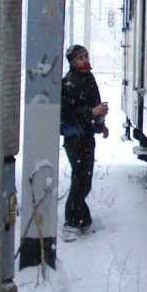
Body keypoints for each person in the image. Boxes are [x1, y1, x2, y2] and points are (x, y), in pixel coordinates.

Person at [61, 44, 108, 234]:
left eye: (86, 56)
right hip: (75, 138)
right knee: (80, 179)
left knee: (84, 180)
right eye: (80, 58)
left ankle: (80, 219)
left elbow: (92, 105)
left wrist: (100, 123)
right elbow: (67, 114)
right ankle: (73, 221)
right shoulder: (69, 83)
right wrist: (92, 112)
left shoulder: (88, 78)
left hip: (86, 136)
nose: (85, 60)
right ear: (72, 62)